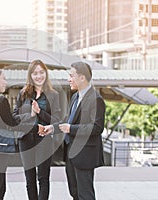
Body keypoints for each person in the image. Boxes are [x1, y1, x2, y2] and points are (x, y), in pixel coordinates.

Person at [39, 61, 106, 200]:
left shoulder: (96, 99)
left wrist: (71, 129)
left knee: (85, 194)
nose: (69, 79)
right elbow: (69, 119)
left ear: (82, 78)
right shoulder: (75, 96)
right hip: (71, 153)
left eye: (71, 75)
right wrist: (52, 128)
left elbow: (96, 128)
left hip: (85, 154)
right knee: (74, 192)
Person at [0, 68, 35, 200]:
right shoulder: (0, 100)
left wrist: (29, 115)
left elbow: (8, 121)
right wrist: (34, 124)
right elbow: (12, 123)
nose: (6, 82)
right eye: (3, 78)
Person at [13, 60, 61, 200]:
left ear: (46, 73)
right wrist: (31, 114)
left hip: (44, 141)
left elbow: (56, 120)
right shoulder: (23, 94)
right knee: (30, 179)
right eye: (35, 73)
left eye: (41, 72)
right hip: (26, 139)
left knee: (43, 178)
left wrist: (40, 112)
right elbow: (15, 117)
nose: (38, 76)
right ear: (30, 75)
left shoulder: (53, 95)